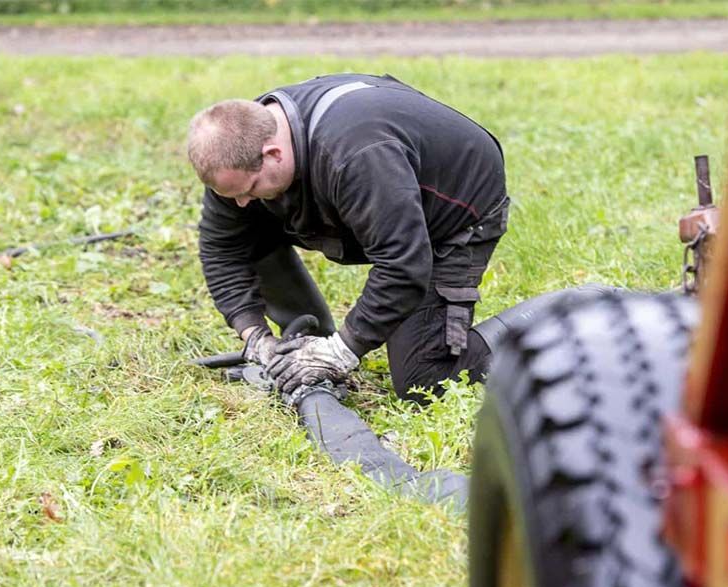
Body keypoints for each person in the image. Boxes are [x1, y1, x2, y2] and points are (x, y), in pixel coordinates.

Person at [187, 73, 509, 401]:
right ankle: (306, 337)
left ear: (274, 154)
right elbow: (221, 248)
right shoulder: (240, 147)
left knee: (424, 381)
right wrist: (255, 336)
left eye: (249, 189)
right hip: (384, 195)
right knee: (247, 222)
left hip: (453, 211)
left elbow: (402, 266)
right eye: (232, 195)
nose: (240, 202)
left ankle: (542, 330)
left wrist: (342, 351)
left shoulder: (355, 157)